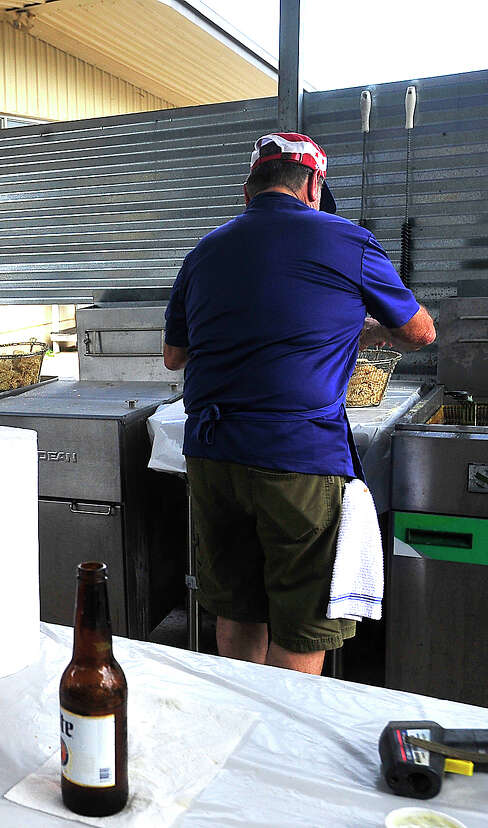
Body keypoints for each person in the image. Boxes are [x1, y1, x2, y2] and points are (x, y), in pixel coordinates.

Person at [162, 133, 435, 675]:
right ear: (313, 183)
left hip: (213, 456)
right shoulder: (347, 241)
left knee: (238, 607)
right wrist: (360, 331)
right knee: (302, 619)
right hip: (299, 460)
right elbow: (421, 332)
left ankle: (243, 728)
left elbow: (175, 356)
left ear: (248, 190)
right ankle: (281, 748)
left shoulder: (205, 250)